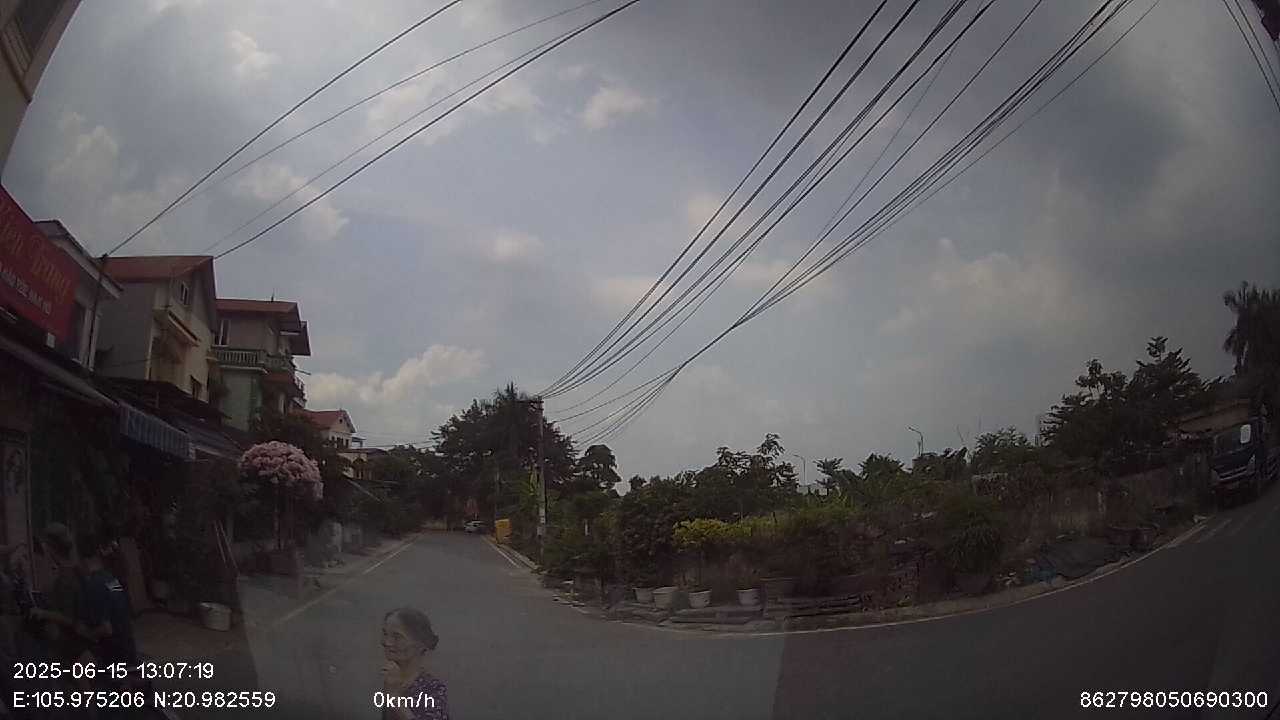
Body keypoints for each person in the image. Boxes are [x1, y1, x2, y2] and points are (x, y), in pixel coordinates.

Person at [75, 532, 136, 666]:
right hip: (129, 652)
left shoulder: (94, 584)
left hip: (114, 659)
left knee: (77, 667)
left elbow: (106, 629)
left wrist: (86, 632)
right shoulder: (111, 579)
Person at [28, 524, 86, 662]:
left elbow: (69, 618)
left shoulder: (65, 579)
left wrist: (43, 613)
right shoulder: (76, 570)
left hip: (73, 647)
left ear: (50, 548)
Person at [380, 608, 449, 720]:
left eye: (397, 637)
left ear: (420, 644)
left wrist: (395, 699)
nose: (386, 642)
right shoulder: (392, 680)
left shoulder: (432, 688)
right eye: (385, 634)